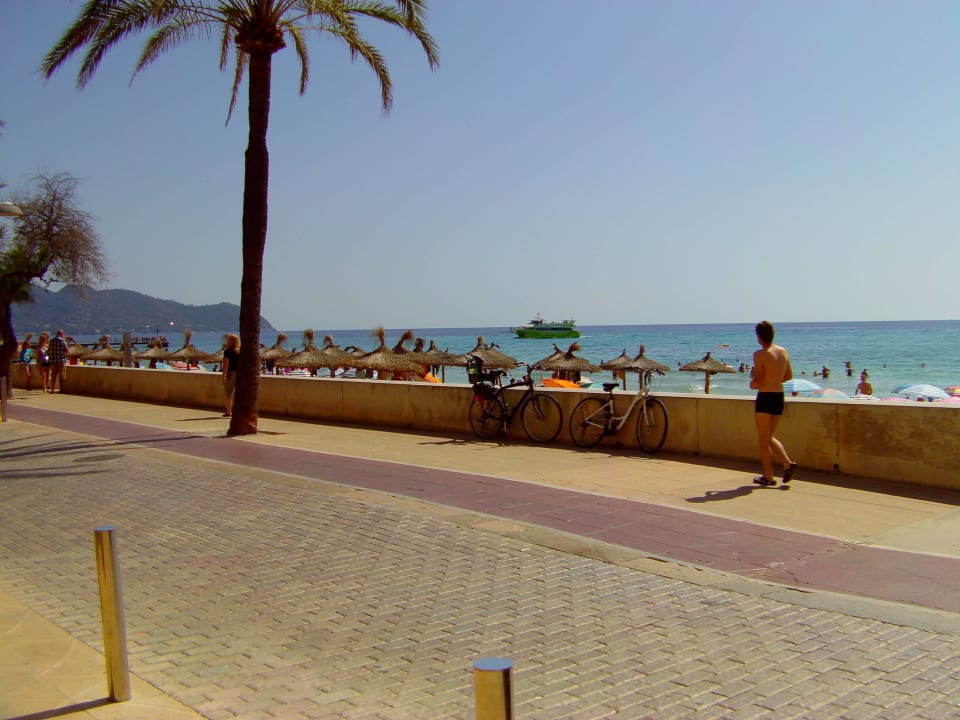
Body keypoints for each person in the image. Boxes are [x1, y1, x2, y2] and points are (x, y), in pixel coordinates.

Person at [749, 320, 797, 487]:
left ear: (759, 336)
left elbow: (759, 379)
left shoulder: (760, 354)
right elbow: (789, 375)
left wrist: (753, 384)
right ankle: (787, 464)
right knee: (768, 436)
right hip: (778, 396)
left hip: (765, 397)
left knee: (763, 440)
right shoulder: (783, 351)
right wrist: (774, 380)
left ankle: (769, 476)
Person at [221, 333, 240, 417]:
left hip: (231, 373)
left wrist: (224, 375)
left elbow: (226, 364)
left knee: (229, 393)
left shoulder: (227, 351)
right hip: (240, 374)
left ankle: (229, 411)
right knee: (239, 394)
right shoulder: (240, 351)